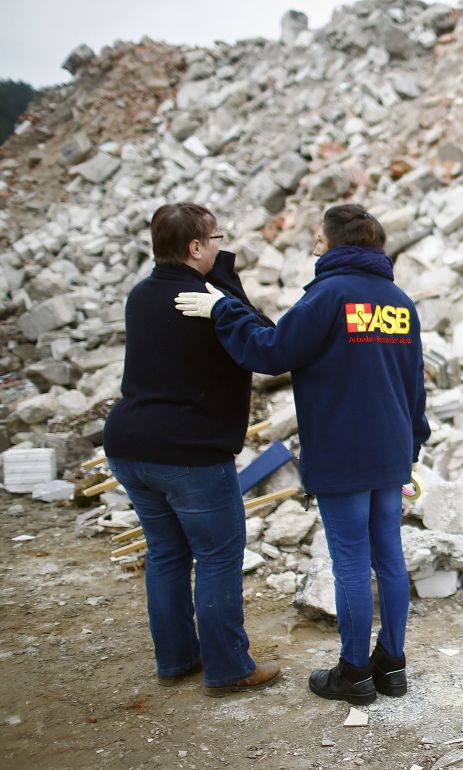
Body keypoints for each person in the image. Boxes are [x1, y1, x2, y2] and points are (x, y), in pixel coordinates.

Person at [175, 203, 430, 707]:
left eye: (318, 237)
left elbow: (270, 352)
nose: (313, 243)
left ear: (336, 243)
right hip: (391, 448)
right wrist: (413, 442)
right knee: (390, 557)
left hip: (342, 449)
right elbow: (413, 380)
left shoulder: (329, 295)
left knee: (353, 562)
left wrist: (221, 309)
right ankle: (392, 665)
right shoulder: (399, 301)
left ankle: (355, 671)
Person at [103, 202, 281, 697]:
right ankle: (228, 668)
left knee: (166, 554)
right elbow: (265, 336)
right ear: (196, 248)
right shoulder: (206, 297)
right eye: (217, 239)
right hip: (188, 451)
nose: (224, 245)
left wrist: (217, 276)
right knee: (219, 556)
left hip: (128, 444)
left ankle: (178, 659)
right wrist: (224, 281)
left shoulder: (141, 295)